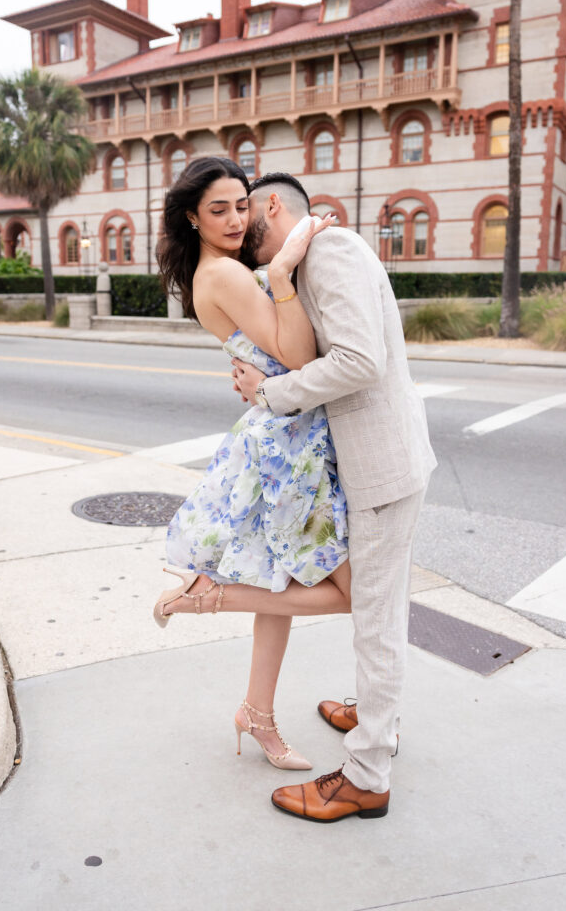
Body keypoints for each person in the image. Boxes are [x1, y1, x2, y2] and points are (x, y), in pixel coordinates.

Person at [231, 172, 437, 822]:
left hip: (379, 467)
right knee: (380, 608)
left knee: (374, 623)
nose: (241, 240)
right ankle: (377, 713)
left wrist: (270, 393)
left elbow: (357, 361)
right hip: (377, 464)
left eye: (245, 215)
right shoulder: (307, 259)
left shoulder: (334, 250)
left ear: (272, 205)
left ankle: (366, 773)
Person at [154, 156, 353, 772]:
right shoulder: (227, 276)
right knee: (348, 593)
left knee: (282, 590)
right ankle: (208, 594)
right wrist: (286, 270)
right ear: (192, 217)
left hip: (281, 436)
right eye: (218, 209)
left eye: (241, 204)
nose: (236, 218)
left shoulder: (218, 271)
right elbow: (296, 351)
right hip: (288, 450)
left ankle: (256, 714)